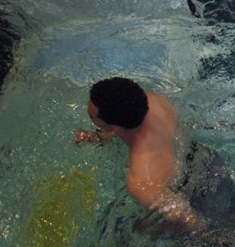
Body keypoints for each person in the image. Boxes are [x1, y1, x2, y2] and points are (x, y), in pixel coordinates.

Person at [75, 77, 204, 231]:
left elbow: (187, 217)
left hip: (196, 196)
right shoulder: (155, 101)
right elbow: (126, 127)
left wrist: (207, 232)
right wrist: (96, 137)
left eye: (92, 116)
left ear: (112, 125)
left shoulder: (141, 181)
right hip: (204, 159)